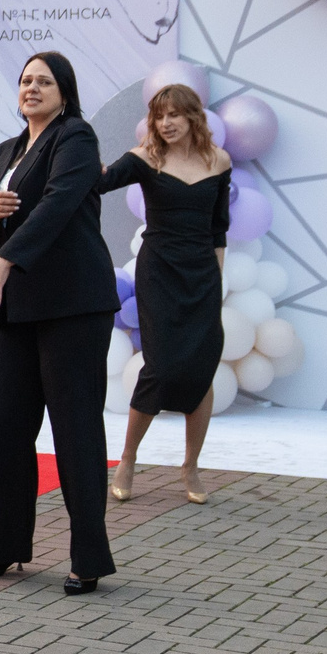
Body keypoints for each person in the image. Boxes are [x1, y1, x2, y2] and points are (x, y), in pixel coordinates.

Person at [0, 51, 119, 594]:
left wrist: (5, 259)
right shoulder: (6, 149)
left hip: (72, 304)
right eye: (25, 80)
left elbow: (57, 205)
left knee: (74, 429)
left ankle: (88, 558)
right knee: (2, 426)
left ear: (64, 90)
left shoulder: (75, 138)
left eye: (43, 81)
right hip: (16, 308)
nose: (31, 88)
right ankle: (6, 548)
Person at [97, 83, 231, 505]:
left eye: (174, 115)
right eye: (159, 115)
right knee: (160, 366)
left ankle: (190, 466)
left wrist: (217, 282)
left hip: (203, 277)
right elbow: (98, 183)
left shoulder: (218, 161)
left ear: (194, 117)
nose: (166, 123)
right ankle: (128, 459)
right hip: (159, 273)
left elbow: (219, 229)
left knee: (201, 367)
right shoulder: (145, 157)